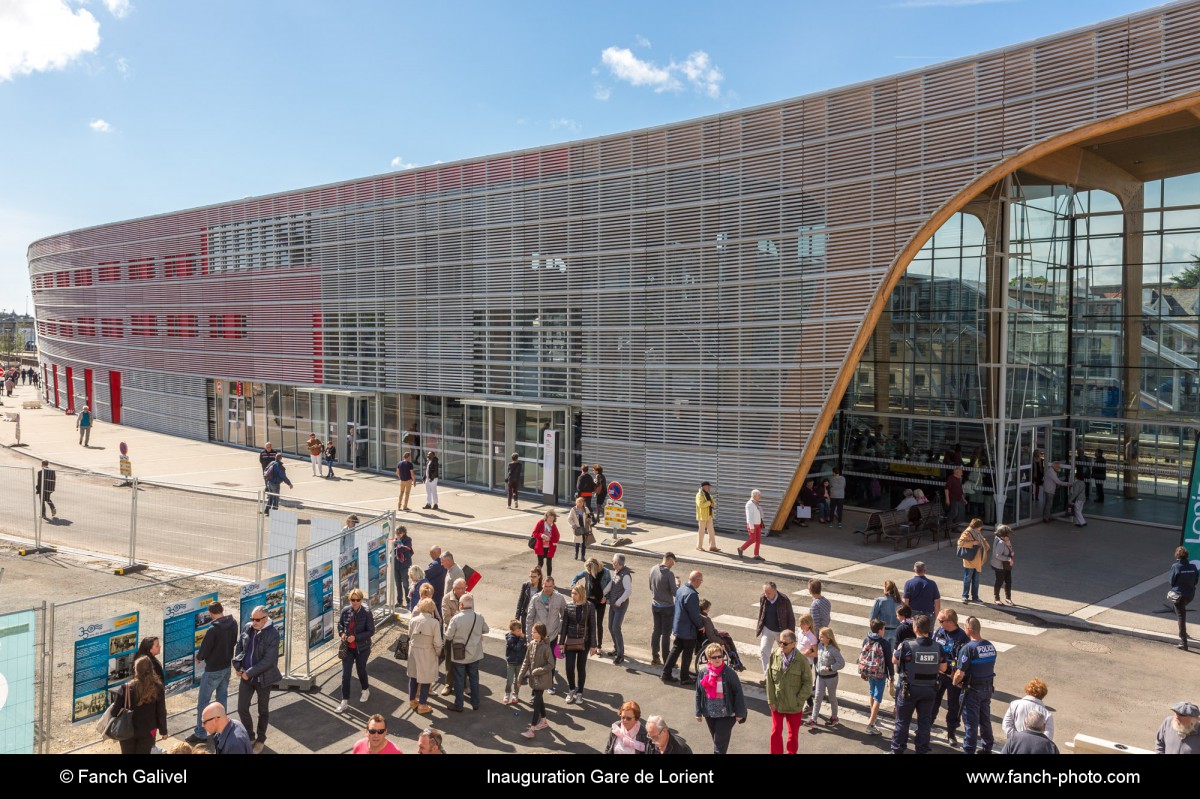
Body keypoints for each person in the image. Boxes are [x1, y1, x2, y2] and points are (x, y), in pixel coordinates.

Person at [890, 613, 948, 754]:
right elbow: (944, 668)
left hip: (909, 689)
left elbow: (894, 660)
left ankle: (897, 749)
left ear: (915, 628)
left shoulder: (907, 645)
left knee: (902, 722)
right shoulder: (937, 647)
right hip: (929, 690)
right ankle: (922, 750)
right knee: (924, 723)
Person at [232, 604, 281, 754]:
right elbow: (240, 646)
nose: (254, 622)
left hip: (263, 679)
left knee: (263, 710)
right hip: (246, 677)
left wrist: (250, 672)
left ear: (266, 618)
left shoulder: (273, 634)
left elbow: (269, 660)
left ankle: (260, 739)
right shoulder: (248, 627)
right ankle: (250, 736)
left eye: (257, 620)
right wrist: (238, 666)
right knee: (241, 708)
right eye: (252, 619)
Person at [188, 601, 237, 745]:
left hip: (213, 670)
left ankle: (201, 733)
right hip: (226, 667)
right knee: (221, 699)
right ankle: (222, 728)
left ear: (210, 614)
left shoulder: (212, 630)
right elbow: (233, 641)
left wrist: (199, 658)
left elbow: (204, 649)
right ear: (222, 609)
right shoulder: (233, 622)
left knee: (203, 702)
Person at [954, 615, 998, 755]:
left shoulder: (968, 648)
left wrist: (955, 682)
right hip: (987, 688)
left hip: (972, 690)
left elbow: (960, 673)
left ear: (967, 629)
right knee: (985, 719)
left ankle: (969, 750)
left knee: (970, 723)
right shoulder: (990, 646)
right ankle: (987, 748)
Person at [695, 642, 747, 754]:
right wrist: (698, 712)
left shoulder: (729, 673)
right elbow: (699, 693)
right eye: (714, 657)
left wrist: (740, 713)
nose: (718, 659)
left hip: (727, 714)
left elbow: (738, 693)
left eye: (720, 656)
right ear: (708, 658)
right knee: (718, 742)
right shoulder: (703, 673)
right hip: (710, 713)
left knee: (719, 744)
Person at [767, 629, 813, 753]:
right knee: (775, 732)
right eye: (780, 642)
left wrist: (799, 700)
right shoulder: (774, 655)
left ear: (794, 644)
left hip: (794, 705)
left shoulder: (802, 661)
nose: (782, 645)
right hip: (778, 702)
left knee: (793, 734)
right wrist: (771, 700)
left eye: (785, 643)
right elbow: (769, 679)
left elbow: (808, 683)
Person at [110, 655, 167, 754]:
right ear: (151, 669)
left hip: (127, 731)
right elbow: (161, 711)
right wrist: (163, 731)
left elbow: (114, 712)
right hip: (149, 731)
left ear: (136, 670)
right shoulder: (158, 687)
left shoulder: (126, 688)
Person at [931, 608, 970, 746]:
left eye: (941, 620)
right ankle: (927, 726)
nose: (939, 623)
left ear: (950, 622)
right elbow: (931, 646)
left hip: (953, 677)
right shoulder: (940, 631)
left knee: (954, 706)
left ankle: (951, 732)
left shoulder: (963, 637)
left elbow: (965, 659)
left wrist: (959, 674)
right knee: (933, 701)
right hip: (938, 674)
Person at [444, 592, 489, 712]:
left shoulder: (456, 618)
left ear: (461, 605)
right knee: (474, 678)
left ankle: (459, 704)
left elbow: (448, 636)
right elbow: (486, 630)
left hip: (459, 654)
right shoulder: (478, 616)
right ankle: (475, 702)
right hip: (474, 654)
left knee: (459, 679)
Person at [335, 587, 375, 713]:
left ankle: (365, 689)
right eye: (353, 600)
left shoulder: (367, 612)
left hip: (362, 648)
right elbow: (340, 624)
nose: (355, 602)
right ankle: (344, 700)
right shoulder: (345, 611)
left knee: (360, 670)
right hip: (348, 648)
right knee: (345, 675)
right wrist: (342, 633)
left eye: (357, 600)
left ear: (361, 600)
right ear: (349, 600)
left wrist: (356, 638)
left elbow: (371, 631)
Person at [662, 571, 704, 685]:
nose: (701, 582)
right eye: (700, 580)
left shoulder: (681, 589)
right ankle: (684, 677)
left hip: (679, 627)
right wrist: (701, 626)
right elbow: (694, 614)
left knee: (675, 651)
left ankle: (666, 673)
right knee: (687, 654)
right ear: (695, 580)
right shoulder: (692, 594)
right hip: (688, 629)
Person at [560, 582, 599, 704]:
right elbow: (564, 625)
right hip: (570, 641)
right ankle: (571, 689)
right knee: (569, 667)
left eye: (575, 593)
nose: (572, 595)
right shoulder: (568, 606)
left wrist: (593, 645)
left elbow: (593, 626)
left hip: (584, 642)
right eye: (572, 593)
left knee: (581, 667)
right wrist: (561, 643)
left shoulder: (590, 606)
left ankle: (580, 692)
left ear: (581, 594)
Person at [526, 575, 566, 692]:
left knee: (551, 661)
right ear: (542, 585)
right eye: (546, 586)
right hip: (538, 637)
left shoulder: (559, 598)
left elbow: (564, 616)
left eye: (550, 586)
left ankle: (550, 683)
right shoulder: (535, 599)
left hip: (553, 637)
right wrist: (529, 638)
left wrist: (559, 628)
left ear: (554, 586)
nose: (548, 588)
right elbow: (529, 619)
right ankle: (536, 688)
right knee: (536, 662)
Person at [518, 621, 554, 738]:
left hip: (542, 680)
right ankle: (544, 722)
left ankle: (532, 730)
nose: (531, 633)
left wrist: (538, 670)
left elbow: (551, 664)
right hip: (534, 679)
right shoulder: (532, 644)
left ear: (540, 634)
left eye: (534, 632)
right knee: (540, 700)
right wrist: (520, 677)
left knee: (536, 704)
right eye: (532, 631)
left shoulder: (546, 648)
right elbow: (526, 661)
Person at [407, 597, 442, 714]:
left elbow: (410, 634)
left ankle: (412, 701)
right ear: (432, 608)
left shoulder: (413, 620)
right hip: (427, 652)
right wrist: (438, 652)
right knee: (426, 679)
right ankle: (422, 704)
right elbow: (438, 642)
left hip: (413, 651)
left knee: (413, 677)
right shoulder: (434, 623)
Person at [858, 619, 893, 735]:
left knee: (872, 693)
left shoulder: (866, 639)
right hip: (880, 673)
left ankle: (873, 716)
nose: (884, 631)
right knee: (878, 697)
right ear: (879, 631)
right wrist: (891, 676)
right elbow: (889, 661)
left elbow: (862, 656)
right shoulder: (884, 643)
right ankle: (871, 724)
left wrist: (863, 672)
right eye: (883, 629)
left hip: (868, 671)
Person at [756, 581, 796, 674]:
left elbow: (791, 617)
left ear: (775, 591)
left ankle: (786, 674)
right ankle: (767, 676)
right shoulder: (763, 598)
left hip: (781, 632)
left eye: (768, 593)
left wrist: (790, 634)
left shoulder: (784, 600)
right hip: (767, 629)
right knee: (764, 650)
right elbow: (762, 612)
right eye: (765, 592)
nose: (766, 595)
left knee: (786, 653)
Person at [809, 627, 845, 727]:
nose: (819, 638)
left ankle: (834, 718)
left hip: (831, 678)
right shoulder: (820, 645)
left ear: (828, 638)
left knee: (832, 698)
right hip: (820, 677)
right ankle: (813, 720)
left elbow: (841, 663)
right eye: (819, 636)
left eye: (822, 636)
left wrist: (830, 668)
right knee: (817, 698)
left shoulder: (834, 650)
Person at [439, 578, 468, 697]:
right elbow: (446, 619)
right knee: (449, 661)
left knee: (464, 660)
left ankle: (464, 684)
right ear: (454, 589)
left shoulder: (468, 596)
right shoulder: (446, 598)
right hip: (450, 636)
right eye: (459, 588)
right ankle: (448, 684)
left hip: (464, 635)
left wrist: (455, 615)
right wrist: (461, 615)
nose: (462, 591)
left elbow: (469, 616)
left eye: (464, 588)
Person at [648, 552, 678, 666]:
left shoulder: (653, 569)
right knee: (666, 634)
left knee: (656, 631)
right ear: (670, 560)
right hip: (667, 607)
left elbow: (650, 586)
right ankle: (667, 661)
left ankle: (655, 657)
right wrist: (677, 584)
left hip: (655, 605)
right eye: (673, 563)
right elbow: (675, 593)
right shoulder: (669, 574)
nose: (673, 565)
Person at [575, 557, 610, 652]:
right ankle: (589, 643)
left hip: (601, 601)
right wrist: (574, 586)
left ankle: (599, 646)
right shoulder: (587, 571)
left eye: (589, 570)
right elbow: (576, 577)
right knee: (588, 622)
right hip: (590, 600)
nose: (587, 571)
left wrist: (606, 598)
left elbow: (611, 586)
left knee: (599, 624)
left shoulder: (606, 572)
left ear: (594, 568)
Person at [605, 553, 632, 664]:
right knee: (610, 627)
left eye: (613, 561)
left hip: (620, 606)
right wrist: (602, 594)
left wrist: (619, 601)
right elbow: (611, 584)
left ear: (617, 563)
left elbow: (628, 591)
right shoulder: (616, 572)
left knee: (616, 628)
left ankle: (620, 655)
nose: (612, 562)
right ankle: (616, 648)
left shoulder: (625, 575)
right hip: (613, 604)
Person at [1170, 546, 1198, 650]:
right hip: (1190, 595)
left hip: (1179, 595)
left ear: (1177, 555)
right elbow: (1195, 581)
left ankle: (1183, 642)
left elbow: (1171, 582)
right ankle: (1183, 632)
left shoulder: (1176, 566)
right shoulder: (1193, 567)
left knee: (1181, 616)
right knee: (1180, 611)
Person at [957, 518, 989, 604]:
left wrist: (986, 545)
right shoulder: (967, 532)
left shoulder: (977, 532)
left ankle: (975, 597)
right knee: (968, 578)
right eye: (980, 527)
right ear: (977, 526)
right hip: (970, 560)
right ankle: (965, 596)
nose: (981, 528)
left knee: (976, 580)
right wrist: (972, 543)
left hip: (977, 560)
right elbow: (960, 543)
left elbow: (982, 540)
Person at [870, 580, 902, 646]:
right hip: (895, 632)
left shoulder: (880, 601)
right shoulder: (900, 603)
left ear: (886, 589)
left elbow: (872, 617)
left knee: (881, 653)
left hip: (882, 631)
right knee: (891, 654)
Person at [990, 525, 1015, 606]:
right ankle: (996, 598)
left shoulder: (1005, 540)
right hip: (1000, 566)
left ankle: (1008, 598)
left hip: (1006, 565)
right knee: (999, 582)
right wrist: (1008, 559)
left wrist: (1009, 545)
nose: (1008, 536)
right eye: (1007, 534)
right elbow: (998, 555)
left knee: (1008, 581)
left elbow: (1012, 553)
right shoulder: (1000, 542)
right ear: (1003, 535)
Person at [504, 619, 527, 705]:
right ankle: (507, 692)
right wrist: (521, 640)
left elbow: (522, 648)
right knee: (509, 679)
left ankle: (515, 694)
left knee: (518, 680)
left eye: (520, 630)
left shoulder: (521, 637)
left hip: (520, 662)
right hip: (511, 662)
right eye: (518, 631)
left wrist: (525, 645)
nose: (520, 632)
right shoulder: (510, 638)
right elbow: (517, 648)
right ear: (512, 631)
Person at [531, 511, 560, 577]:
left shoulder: (554, 526)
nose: (550, 519)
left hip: (550, 548)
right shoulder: (541, 522)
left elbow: (557, 537)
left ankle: (549, 578)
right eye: (549, 517)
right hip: (540, 547)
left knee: (549, 564)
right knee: (540, 563)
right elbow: (534, 533)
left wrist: (550, 539)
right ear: (546, 517)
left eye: (552, 518)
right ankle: (537, 577)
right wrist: (541, 535)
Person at [739, 489, 764, 560]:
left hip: (758, 524)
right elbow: (749, 516)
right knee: (753, 539)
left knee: (758, 540)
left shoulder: (756, 503)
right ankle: (741, 549)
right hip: (752, 525)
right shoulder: (749, 504)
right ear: (755, 496)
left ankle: (756, 555)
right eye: (759, 495)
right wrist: (751, 527)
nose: (760, 496)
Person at [695, 480, 719, 552]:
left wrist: (713, 503)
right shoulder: (699, 495)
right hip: (702, 516)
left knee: (711, 532)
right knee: (701, 532)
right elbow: (700, 505)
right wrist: (709, 503)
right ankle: (699, 546)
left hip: (709, 515)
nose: (709, 487)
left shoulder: (708, 494)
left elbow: (713, 502)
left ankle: (712, 546)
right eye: (708, 486)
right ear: (704, 486)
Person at [568, 496, 593, 561]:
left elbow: (589, 516)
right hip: (578, 528)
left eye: (581, 502)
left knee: (584, 543)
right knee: (577, 542)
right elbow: (569, 519)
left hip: (585, 528)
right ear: (577, 502)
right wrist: (573, 525)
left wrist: (589, 520)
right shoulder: (573, 509)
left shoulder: (586, 509)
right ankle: (576, 554)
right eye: (579, 502)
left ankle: (583, 556)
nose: (580, 503)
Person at [393, 525, 414, 601]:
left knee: (405, 584)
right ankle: (399, 601)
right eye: (396, 533)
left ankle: (408, 600)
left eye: (399, 533)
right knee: (398, 584)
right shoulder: (395, 540)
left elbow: (403, 549)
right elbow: (393, 551)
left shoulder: (408, 540)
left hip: (404, 566)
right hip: (396, 565)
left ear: (404, 532)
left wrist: (398, 541)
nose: (398, 535)